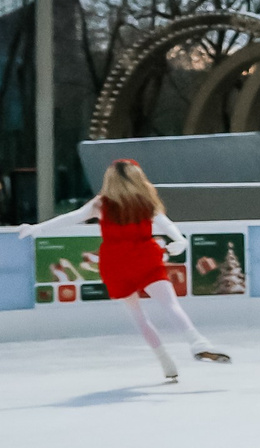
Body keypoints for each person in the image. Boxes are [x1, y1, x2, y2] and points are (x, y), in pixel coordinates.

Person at [30, 159, 231, 381]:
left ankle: (166, 363)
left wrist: (38, 228)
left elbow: (72, 217)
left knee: (139, 317)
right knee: (170, 304)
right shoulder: (145, 202)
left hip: (116, 263)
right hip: (145, 257)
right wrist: (179, 240)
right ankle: (197, 342)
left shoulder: (101, 204)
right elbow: (167, 225)